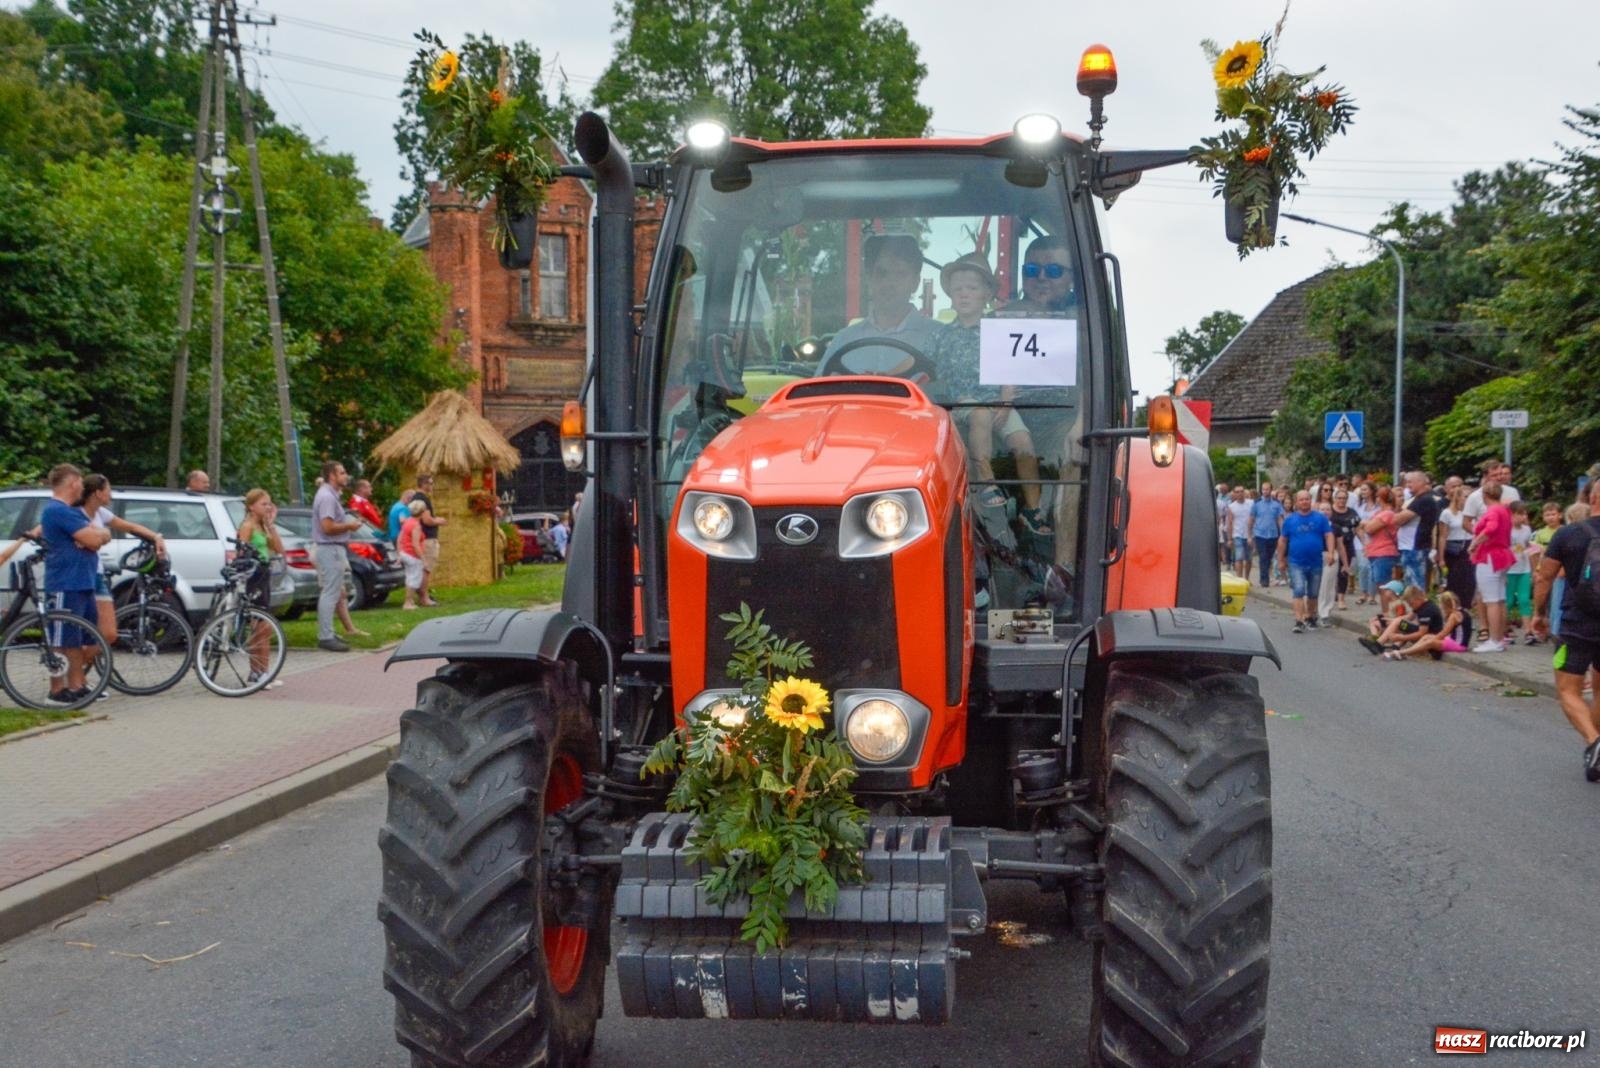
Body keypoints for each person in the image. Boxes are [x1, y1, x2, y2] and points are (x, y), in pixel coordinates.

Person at [927, 253, 1050, 539]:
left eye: (971, 289)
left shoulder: (998, 331)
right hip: (961, 401)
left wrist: (1006, 403)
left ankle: (1033, 509)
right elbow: (924, 368)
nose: (964, 295)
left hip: (997, 399)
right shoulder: (942, 336)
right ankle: (987, 482)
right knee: (980, 413)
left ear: (986, 295)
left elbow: (1009, 368)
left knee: (1024, 443)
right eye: (957, 290)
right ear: (950, 296)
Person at [1529, 479, 1600, 781]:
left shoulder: (1568, 534)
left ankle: (1594, 742)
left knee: (1568, 690)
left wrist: (1538, 614)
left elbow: (1545, 577)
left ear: (1591, 497)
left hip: (1576, 625)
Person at [40, 464, 110, 702]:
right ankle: (57, 690)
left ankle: (77, 685)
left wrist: (94, 537)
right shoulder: (57, 511)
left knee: (79, 638)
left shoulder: (73, 511)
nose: (83, 486)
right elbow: (93, 539)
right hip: (65, 582)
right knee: (61, 639)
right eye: (80, 482)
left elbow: (102, 535)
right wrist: (92, 537)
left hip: (83, 581)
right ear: (72, 484)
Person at [820, 234, 940, 373]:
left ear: (915, 282)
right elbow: (816, 392)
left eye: (900, 274)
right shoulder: (843, 340)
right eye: (882, 273)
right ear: (869, 279)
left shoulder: (941, 339)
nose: (889, 283)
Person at [77, 474, 168, 645]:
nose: (111, 495)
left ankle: (81, 661)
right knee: (78, 630)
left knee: (109, 633)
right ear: (98, 493)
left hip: (96, 575)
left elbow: (130, 526)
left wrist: (156, 537)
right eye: (108, 490)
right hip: (79, 574)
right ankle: (74, 666)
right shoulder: (76, 513)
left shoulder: (101, 513)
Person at [236, 488, 287, 688]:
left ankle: (262, 671)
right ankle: (258, 672)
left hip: (264, 574)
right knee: (260, 626)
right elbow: (241, 552)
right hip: (253, 576)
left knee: (264, 627)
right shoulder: (247, 526)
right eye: (264, 504)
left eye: (269, 504)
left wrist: (271, 525)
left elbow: (278, 549)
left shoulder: (263, 527)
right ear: (251, 506)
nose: (268, 507)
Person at [311, 461, 364, 652]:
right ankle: (325, 636)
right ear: (332, 475)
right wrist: (349, 526)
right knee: (330, 592)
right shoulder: (326, 497)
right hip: (330, 547)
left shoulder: (331, 495)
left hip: (333, 548)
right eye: (342, 472)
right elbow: (327, 527)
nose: (346, 476)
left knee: (335, 592)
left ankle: (329, 632)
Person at [1277, 489, 1334, 633]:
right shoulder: (1290, 520)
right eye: (1301, 499)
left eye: (1307, 499)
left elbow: (1329, 535)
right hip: (1296, 562)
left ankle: (1310, 616)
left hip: (1315, 561)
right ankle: (1299, 620)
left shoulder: (1320, 518)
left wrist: (1331, 552)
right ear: (1297, 502)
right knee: (1298, 590)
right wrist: (1281, 560)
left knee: (1313, 593)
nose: (1304, 502)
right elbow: (1283, 540)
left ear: (1311, 501)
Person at [1468, 480, 1514, 652]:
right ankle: (1500, 638)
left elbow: (1491, 528)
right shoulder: (1504, 510)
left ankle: (1494, 640)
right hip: (1502, 555)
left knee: (1491, 600)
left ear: (1484, 495)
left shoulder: (1493, 510)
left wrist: (1475, 543)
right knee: (1500, 599)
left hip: (1489, 556)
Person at [1374, 589, 1467, 661]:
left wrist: (1431, 640)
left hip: (1458, 645)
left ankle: (1401, 653)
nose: (1442, 610)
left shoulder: (1454, 616)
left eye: (1443, 608)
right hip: (1454, 641)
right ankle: (1403, 652)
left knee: (1429, 642)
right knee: (1427, 637)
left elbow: (1443, 633)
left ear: (1447, 606)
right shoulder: (1461, 612)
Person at [1393, 470, 1440, 592]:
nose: (1407, 485)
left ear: (1420, 482)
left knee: (1415, 583)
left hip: (1415, 546)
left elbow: (1398, 519)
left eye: (1410, 482)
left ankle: (1419, 609)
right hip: (1409, 546)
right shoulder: (1417, 499)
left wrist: (1397, 514)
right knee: (1410, 581)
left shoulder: (1424, 500)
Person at [1436, 483, 1475, 610]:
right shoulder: (1447, 513)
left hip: (1469, 545)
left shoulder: (1472, 514)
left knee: (1469, 580)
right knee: (1454, 580)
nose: (1468, 499)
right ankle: (1452, 608)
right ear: (1458, 497)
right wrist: (1441, 557)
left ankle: (1465, 608)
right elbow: (1442, 536)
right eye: (1466, 496)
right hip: (1453, 548)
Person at [1362, 486, 1401, 614]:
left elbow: (1368, 528)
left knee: (1386, 588)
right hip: (1375, 553)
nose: (1376, 499)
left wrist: (1366, 524)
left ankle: (1392, 616)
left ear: (1381, 499)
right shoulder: (1380, 513)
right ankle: (1386, 615)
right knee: (1381, 588)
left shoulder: (1387, 514)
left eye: (1378, 496)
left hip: (1384, 553)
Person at [413, 474, 447, 607]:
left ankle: (423, 596)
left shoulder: (417, 498)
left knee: (423, 568)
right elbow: (427, 520)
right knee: (426, 568)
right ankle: (424, 598)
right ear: (424, 484)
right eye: (431, 483)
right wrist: (439, 520)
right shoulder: (422, 499)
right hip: (428, 538)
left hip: (422, 537)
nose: (432, 486)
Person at [1505, 501, 1537, 636]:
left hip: (1523, 569)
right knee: (1509, 601)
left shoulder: (1527, 530)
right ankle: (1504, 628)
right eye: (1520, 514)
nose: (1523, 517)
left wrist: (1534, 569)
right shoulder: (1506, 530)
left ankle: (1528, 630)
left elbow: (1529, 547)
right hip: (1509, 570)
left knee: (1524, 599)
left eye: (1525, 514)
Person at [1329, 488, 1360, 610]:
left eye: (1344, 498)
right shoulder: (1329, 511)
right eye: (1339, 498)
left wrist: (1365, 543)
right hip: (1331, 546)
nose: (1342, 500)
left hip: (1347, 545)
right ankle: (1331, 594)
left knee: (1344, 572)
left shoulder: (1352, 513)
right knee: (1330, 572)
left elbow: (1358, 529)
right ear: (1334, 499)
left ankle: (1341, 599)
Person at [1251, 484, 1286, 588]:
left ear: (1271, 490)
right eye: (1263, 489)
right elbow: (1251, 518)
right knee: (1263, 557)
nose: (1265, 491)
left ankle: (1267, 576)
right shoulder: (1257, 503)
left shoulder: (1276, 504)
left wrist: (1283, 533)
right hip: (1260, 534)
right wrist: (1250, 534)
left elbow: (1280, 519)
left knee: (1269, 557)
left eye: (1267, 489)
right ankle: (1264, 579)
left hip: (1273, 534)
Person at [397, 499, 427, 610]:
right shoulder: (416, 526)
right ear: (422, 512)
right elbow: (415, 544)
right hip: (412, 555)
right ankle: (408, 602)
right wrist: (423, 559)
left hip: (405, 553)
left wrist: (399, 553)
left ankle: (409, 601)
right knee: (414, 578)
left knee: (409, 577)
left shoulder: (407, 521)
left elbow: (400, 539)